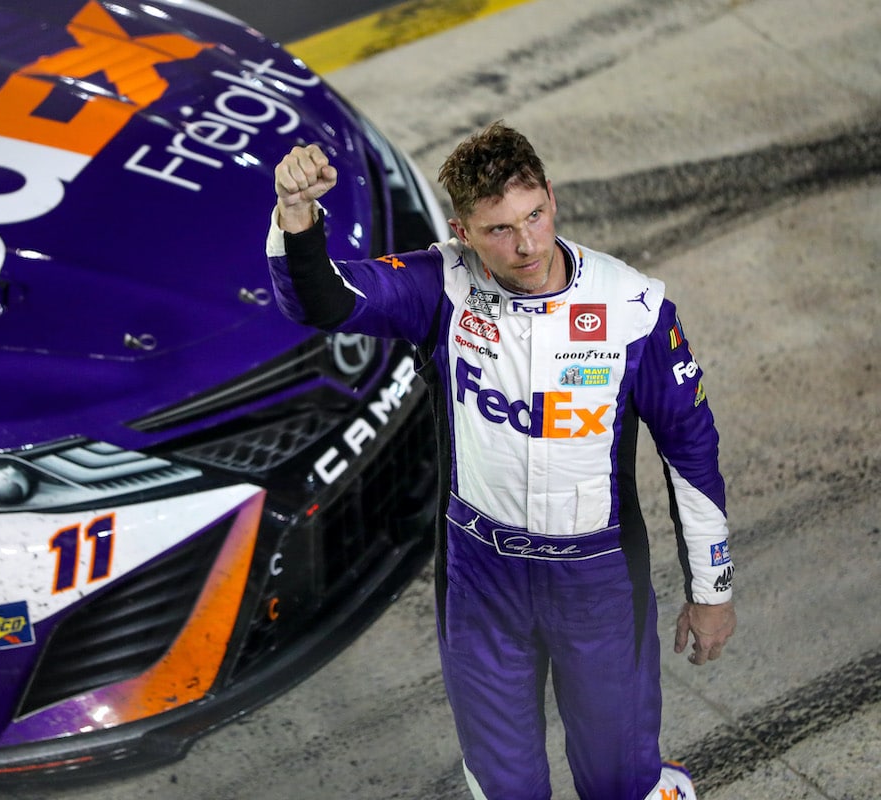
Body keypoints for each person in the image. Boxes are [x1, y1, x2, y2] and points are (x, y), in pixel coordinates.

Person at [266, 121, 737, 800]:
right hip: (481, 575)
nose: (526, 245)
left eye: (535, 216)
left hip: (596, 577)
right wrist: (296, 212)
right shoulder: (442, 286)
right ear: (461, 231)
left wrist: (712, 590)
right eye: (498, 230)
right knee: (503, 783)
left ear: (551, 196)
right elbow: (321, 300)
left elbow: (691, 448)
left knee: (621, 780)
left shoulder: (634, 307)